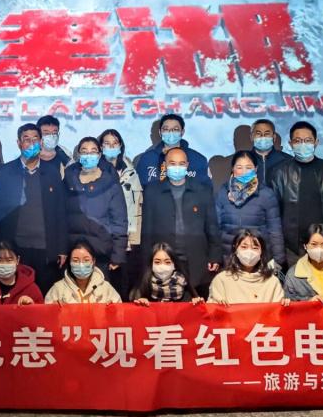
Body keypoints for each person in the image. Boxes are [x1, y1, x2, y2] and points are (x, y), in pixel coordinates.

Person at [0, 123, 68, 291]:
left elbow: (60, 212)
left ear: (41, 143)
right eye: (26, 139)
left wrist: (62, 248)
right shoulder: (6, 171)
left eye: (35, 139)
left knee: (45, 295)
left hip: (45, 247)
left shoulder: (52, 172)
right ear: (19, 143)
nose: (31, 143)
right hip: (15, 247)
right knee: (17, 295)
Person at [139, 146, 222, 298]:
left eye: (181, 164)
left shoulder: (202, 190)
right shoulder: (152, 191)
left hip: (196, 258)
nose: (177, 167)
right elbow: (147, 231)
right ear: (165, 165)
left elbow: (212, 225)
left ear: (187, 165)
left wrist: (215, 255)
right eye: (172, 163)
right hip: (164, 260)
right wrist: (146, 263)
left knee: (196, 304)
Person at [270, 121, 323, 265]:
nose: (303, 144)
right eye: (298, 141)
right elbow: (273, 214)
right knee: (295, 279)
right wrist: (278, 247)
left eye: (308, 140)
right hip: (292, 247)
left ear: (316, 142)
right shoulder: (280, 172)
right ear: (290, 143)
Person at [63, 136, 128, 278]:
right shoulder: (68, 180)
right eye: (84, 151)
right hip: (73, 252)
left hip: (101, 252)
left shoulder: (111, 182)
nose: (89, 155)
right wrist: (61, 249)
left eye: (93, 151)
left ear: (99, 154)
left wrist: (118, 254)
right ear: (78, 155)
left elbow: (119, 222)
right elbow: (60, 217)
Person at [214, 150, 285, 267]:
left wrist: (279, 260)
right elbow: (215, 228)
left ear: (255, 169)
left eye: (248, 167)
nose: (244, 172)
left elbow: (275, 231)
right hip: (229, 259)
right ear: (232, 169)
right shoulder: (222, 192)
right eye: (239, 167)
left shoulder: (267, 194)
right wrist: (215, 257)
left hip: (259, 259)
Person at [99, 128, 143, 294]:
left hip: (128, 239)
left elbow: (138, 207)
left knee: (124, 287)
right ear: (100, 147)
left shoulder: (131, 173)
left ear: (121, 146)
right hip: (103, 239)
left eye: (115, 143)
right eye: (107, 143)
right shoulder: (94, 172)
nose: (111, 147)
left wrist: (134, 239)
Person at [207, 230, 286, 304]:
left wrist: (285, 304)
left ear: (262, 252)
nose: (249, 252)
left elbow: (279, 310)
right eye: (244, 247)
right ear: (235, 249)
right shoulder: (221, 280)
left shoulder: (272, 282)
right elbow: (212, 310)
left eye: (255, 248)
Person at [135, 113, 210, 187]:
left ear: (182, 132)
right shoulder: (147, 158)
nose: (171, 132)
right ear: (160, 132)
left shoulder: (198, 159)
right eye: (166, 129)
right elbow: (139, 188)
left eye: (175, 129)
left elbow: (205, 189)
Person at [44, 241, 122, 304]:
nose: (81, 265)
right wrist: (53, 311)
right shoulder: (58, 289)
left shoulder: (106, 288)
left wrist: (113, 310)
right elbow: (46, 315)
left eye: (86, 260)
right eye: (75, 260)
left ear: (93, 261)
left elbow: (120, 314)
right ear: (70, 262)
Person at [129, 243, 203, 306]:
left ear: (174, 265)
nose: (162, 266)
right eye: (157, 262)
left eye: (167, 262)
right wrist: (140, 304)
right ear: (151, 264)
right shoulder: (144, 285)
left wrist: (196, 303)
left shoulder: (185, 288)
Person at [247, 118, 291, 186]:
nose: (263, 136)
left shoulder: (288, 160)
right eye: (258, 133)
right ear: (251, 137)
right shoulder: (242, 160)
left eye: (267, 133)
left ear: (274, 137)